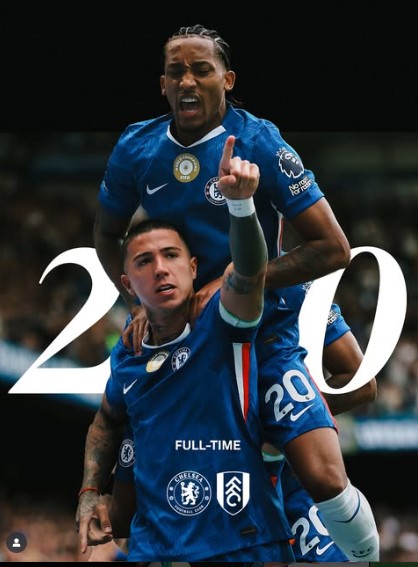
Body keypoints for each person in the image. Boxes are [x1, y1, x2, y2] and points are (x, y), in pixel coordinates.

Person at [92, 24, 379, 561]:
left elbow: (333, 248)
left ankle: (273, 444)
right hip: (185, 331)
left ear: (227, 79)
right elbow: (106, 234)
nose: (187, 81)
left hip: (263, 310)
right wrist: (135, 303)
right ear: (162, 84)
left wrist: (234, 279)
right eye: (176, 71)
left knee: (340, 433)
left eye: (201, 69)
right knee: (134, 484)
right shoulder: (137, 147)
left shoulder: (260, 142)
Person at [76, 138, 296, 563]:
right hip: (155, 551)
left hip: (245, 544)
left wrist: (241, 204)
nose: (160, 268)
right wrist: (89, 491)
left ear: (193, 268)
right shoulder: (128, 352)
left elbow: (250, 273)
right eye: (144, 261)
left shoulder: (223, 321)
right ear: (128, 284)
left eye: (171, 255)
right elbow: (106, 420)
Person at [85, 283, 378, 563]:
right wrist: (93, 494)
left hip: (286, 475)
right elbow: (115, 418)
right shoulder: (155, 315)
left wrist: (270, 423)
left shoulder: (294, 285)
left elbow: (362, 384)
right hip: (211, 477)